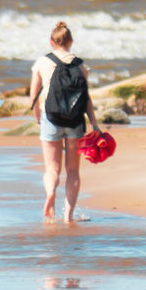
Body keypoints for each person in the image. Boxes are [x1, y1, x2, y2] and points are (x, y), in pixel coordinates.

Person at [29, 21, 102, 223]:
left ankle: (51, 192)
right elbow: (86, 98)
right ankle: (69, 215)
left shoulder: (42, 63)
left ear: (51, 41)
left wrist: (38, 118)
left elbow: (33, 95)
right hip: (75, 121)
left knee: (52, 169)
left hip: (50, 118)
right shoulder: (81, 65)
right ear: (71, 41)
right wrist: (94, 124)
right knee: (73, 171)